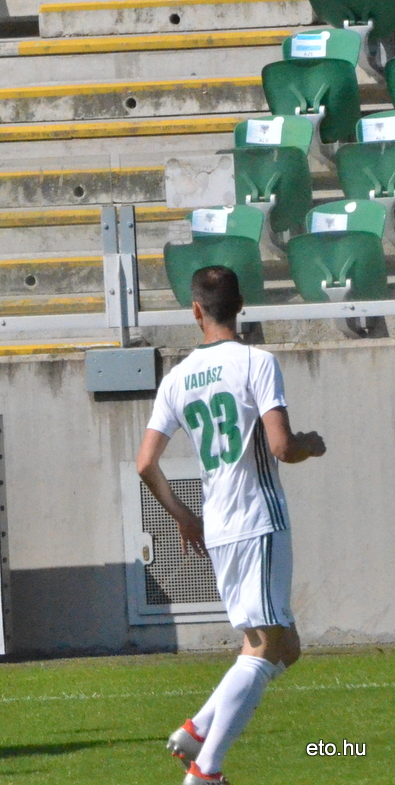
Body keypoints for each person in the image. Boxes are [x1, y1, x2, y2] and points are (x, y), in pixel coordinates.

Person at [136, 266, 325, 785]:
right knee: (265, 647)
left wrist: (183, 517)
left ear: (195, 311)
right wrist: (310, 442)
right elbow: (283, 447)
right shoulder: (256, 361)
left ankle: (197, 728)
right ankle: (206, 771)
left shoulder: (177, 378)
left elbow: (145, 464)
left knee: (286, 646)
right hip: (257, 519)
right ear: (242, 304)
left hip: (218, 525)